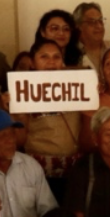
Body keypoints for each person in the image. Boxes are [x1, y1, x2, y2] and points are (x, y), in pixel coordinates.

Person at [21, 39, 84, 194]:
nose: (51, 62)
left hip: (73, 170)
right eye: (44, 57)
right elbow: (20, 138)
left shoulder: (79, 84)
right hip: (37, 171)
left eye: (56, 57)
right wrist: (13, 108)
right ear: (32, 62)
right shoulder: (22, 90)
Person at [73, 2, 110, 70]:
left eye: (100, 21)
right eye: (92, 22)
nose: (99, 26)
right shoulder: (70, 52)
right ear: (78, 26)